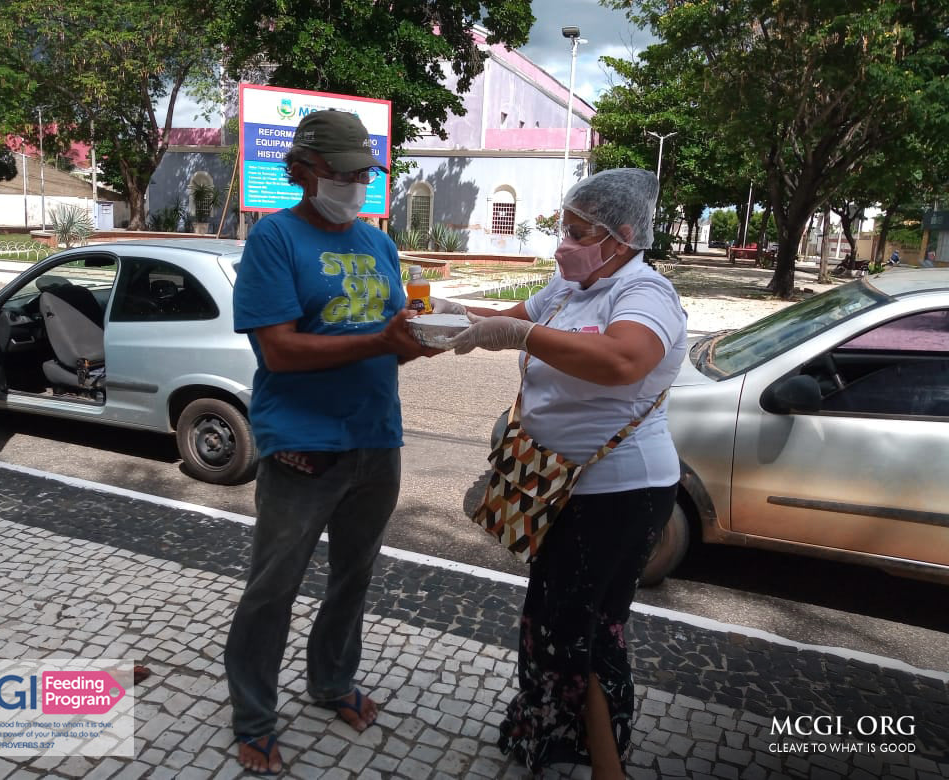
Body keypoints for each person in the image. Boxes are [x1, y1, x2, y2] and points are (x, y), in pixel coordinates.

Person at [437, 168, 687, 779]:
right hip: (556, 484)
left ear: (623, 236)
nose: (562, 244)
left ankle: (603, 763)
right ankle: (550, 739)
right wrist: (444, 313)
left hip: (617, 493)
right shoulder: (568, 288)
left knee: (582, 626)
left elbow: (625, 360)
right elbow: (504, 319)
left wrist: (522, 334)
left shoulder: (643, 293)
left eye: (577, 232)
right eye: (563, 228)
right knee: (552, 619)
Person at [226, 109, 436, 776]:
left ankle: (332, 682)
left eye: (364, 173)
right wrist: (382, 340)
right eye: (343, 173)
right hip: (303, 445)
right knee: (273, 588)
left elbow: (388, 343)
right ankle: (254, 717)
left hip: (377, 439)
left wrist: (419, 341)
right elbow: (280, 353)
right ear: (303, 171)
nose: (355, 184)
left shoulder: (378, 244)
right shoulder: (274, 240)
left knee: (353, 578)